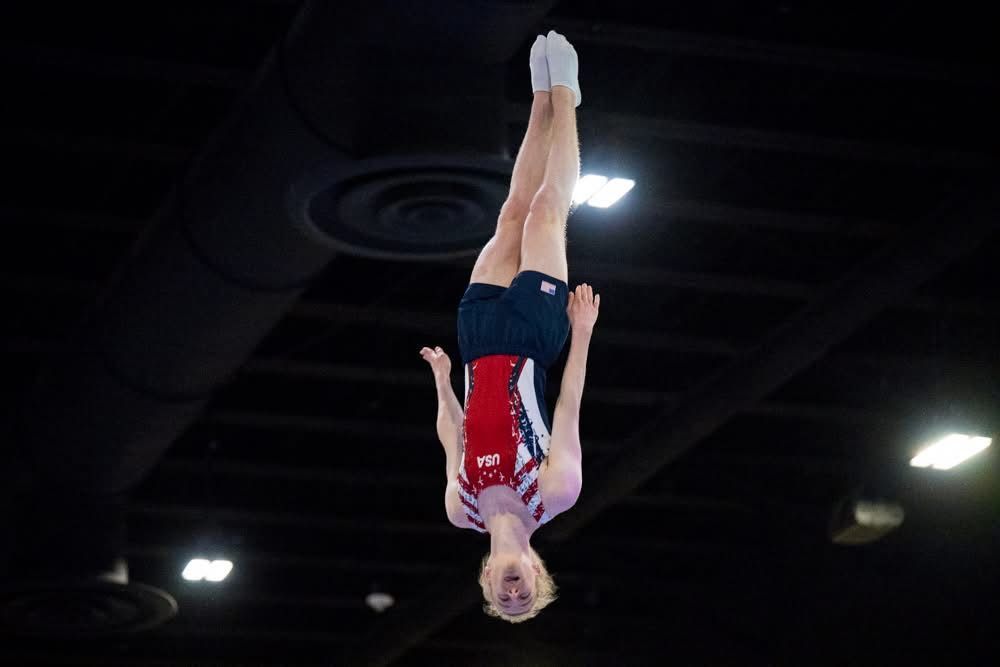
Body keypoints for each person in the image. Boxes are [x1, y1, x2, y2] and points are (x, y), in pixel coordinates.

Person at [420, 30, 599, 622]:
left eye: (506, 598)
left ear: (488, 580)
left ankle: (538, 102)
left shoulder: (459, 507)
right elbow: (568, 408)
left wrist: (445, 382)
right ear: (540, 573)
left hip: (476, 344)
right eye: (527, 596)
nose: (515, 592)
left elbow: (454, 437)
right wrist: (582, 333)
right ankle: (568, 96)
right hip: (534, 339)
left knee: (513, 211)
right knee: (549, 209)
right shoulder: (555, 495)